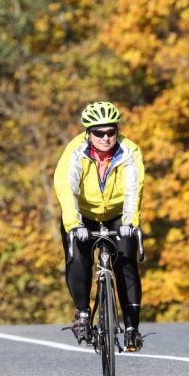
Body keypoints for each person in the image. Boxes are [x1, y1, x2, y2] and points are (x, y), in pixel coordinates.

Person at [53, 101, 146, 352]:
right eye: (98, 133)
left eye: (110, 131)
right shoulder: (75, 151)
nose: (105, 137)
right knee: (78, 258)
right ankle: (83, 314)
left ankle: (131, 328)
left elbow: (134, 190)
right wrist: (73, 224)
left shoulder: (129, 151)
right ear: (88, 134)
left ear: (117, 130)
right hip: (83, 214)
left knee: (126, 262)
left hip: (118, 214)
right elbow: (66, 188)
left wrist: (129, 222)